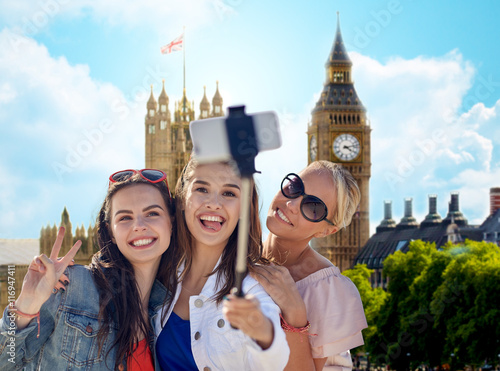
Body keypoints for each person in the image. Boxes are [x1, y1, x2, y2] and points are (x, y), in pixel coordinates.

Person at [0, 169, 177, 370]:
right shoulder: (70, 288)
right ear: (110, 231)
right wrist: (25, 307)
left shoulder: (170, 311)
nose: (139, 225)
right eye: (125, 218)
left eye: (152, 213)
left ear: (171, 222)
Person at [155, 159, 290, 370]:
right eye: (202, 189)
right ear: (182, 198)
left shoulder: (252, 286)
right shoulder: (159, 273)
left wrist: (263, 331)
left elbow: (275, 360)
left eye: (229, 193)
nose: (214, 203)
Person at [252, 160, 368, 371]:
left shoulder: (329, 291)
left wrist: (295, 315)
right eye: (294, 187)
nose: (291, 204)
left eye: (313, 207)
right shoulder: (235, 253)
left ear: (327, 231)